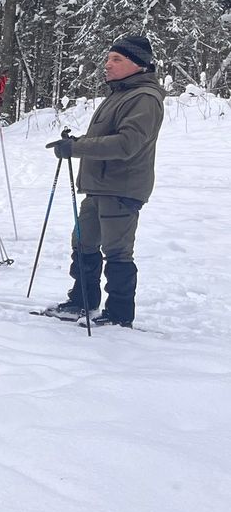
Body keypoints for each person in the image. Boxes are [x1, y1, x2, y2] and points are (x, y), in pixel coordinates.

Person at [40, 35, 165, 328]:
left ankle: (119, 313)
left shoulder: (144, 98)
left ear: (138, 64)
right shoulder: (121, 93)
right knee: (83, 243)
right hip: (99, 186)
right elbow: (107, 137)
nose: (107, 65)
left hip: (121, 187)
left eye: (116, 59)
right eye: (108, 58)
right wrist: (76, 143)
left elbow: (126, 143)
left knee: (117, 250)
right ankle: (82, 300)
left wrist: (78, 147)